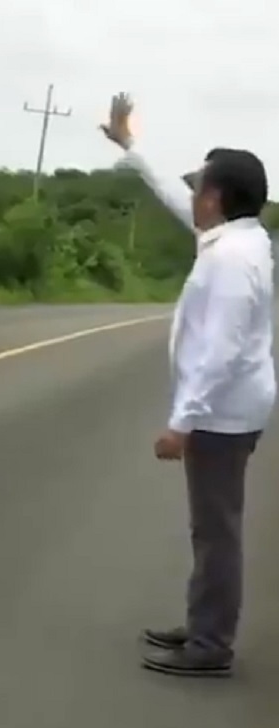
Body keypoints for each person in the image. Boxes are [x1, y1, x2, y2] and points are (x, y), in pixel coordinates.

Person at [101, 93, 276, 677]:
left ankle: (211, 646)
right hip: (230, 411)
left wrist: (183, 422)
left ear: (218, 197)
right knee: (210, 529)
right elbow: (175, 202)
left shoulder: (231, 260)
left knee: (216, 531)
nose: (193, 193)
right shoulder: (238, 239)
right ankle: (203, 628)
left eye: (200, 184)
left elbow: (220, 351)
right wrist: (131, 148)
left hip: (221, 416)